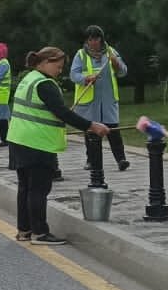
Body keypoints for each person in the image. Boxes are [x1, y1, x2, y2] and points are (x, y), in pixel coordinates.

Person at [8, 47, 111, 244]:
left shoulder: (28, 79)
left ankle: (24, 230)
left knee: (25, 188)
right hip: (37, 142)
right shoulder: (45, 84)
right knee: (38, 189)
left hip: (18, 139)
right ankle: (40, 232)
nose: (60, 70)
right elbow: (62, 112)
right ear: (46, 62)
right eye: (58, 66)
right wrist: (91, 126)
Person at [70, 25, 130, 176]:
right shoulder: (81, 55)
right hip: (89, 102)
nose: (93, 42)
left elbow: (123, 71)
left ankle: (121, 159)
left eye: (96, 39)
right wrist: (86, 78)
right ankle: (91, 160)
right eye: (90, 39)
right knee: (91, 131)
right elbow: (73, 75)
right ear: (87, 40)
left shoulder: (111, 52)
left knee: (113, 130)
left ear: (101, 39)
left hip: (108, 101)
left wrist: (116, 63)